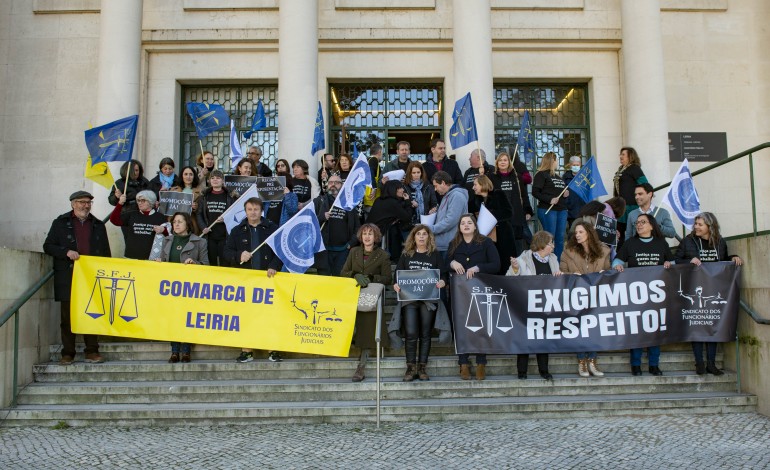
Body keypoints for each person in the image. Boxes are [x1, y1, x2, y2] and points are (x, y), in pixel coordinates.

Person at [44, 191, 111, 365]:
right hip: (68, 275)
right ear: (73, 204)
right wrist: (66, 252)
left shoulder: (97, 224)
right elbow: (48, 245)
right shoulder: (60, 223)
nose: (86, 205)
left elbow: (106, 253)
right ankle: (68, 353)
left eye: (89, 202)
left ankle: (92, 351)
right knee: (67, 317)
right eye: (82, 202)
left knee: (92, 314)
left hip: (92, 277)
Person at [676, 212, 744, 375]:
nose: (696, 227)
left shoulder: (720, 243)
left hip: (713, 289)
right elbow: (676, 260)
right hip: (693, 289)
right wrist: (689, 261)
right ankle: (699, 363)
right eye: (696, 224)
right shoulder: (688, 241)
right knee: (697, 325)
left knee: (712, 324)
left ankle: (711, 364)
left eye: (700, 224)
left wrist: (733, 257)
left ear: (710, 226)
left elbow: (722, 261)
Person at [613, 213, 674, 376]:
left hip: (656, 296)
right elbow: (617, 261)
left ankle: (654, 364)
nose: (638, 225)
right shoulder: (630, 243)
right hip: (636, 295)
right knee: (637, 330)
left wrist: (669, 263)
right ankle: (636, 364)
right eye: (637, 222)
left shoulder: (661, 243)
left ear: (652, 226)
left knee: (655, 330)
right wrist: (618, 266)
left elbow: (672, 262)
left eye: (643, 222)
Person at [224, 197, 282, 363]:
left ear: (261, 210)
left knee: (270, 316)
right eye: (249, 209)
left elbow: (281, 251)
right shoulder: (237, 230)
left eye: (256, 209)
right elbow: (226, 252)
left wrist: (274, 265)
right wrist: (238, 255)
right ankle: (247, 351)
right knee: (247, 316)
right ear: (245, 211)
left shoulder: (272, 228)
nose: (253, 212)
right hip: (246, 281)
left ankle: (274, 350)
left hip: (269, 279)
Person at [449, 214, 501, 380]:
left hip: (480, 291)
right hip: (460, 293)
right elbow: (444, 263)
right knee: (460, 326)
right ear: (459, 227)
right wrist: (452, 263)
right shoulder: (454, 243)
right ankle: (463, 363)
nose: (466, 225)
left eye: (469, 222)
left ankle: (481, 363)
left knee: (480, 326)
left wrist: (478, 267)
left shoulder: (485, 242)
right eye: (462, 223)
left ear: (475, 226)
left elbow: (496, 265)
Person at [392, 225, 446, 381]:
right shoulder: (406, 255)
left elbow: (443, 275)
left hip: (428, 300)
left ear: (429, 237)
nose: (421, 237)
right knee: (410, 333)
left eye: (424, 234)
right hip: (410, 300)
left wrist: (442, 282)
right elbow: (397, 277)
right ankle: (410, 368)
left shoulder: (434, 255)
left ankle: (422, 367)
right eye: (418, 234)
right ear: (413, 237)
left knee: (425, 334)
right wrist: (396, 285)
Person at [506, 230, 561, 380]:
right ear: (542, 244)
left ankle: (544, 370)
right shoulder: (523, 258)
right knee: (524, 338)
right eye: (551, 243)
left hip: (545, 306)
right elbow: (509, 278)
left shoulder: (553, 259)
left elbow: (557, 279)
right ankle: (522, 372)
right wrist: (515, 268)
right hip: (526, 306)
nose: (553, 246)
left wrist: (559, 276)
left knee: (544, 339)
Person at [341, 224, 392, 382]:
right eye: (364, 234)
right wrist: (355, 274)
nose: (367, 237)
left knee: (367, 329)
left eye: (370, 234)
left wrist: (371, 278)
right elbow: (343, 272)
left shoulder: (383, 255)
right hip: (352, 295)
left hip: (370, 298)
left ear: (376, 237)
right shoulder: (354, 252)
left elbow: (387, 278)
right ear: (361, 236)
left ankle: (361, 366)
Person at [560, 222, 611, 377]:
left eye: (581, 232)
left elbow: (608, 271)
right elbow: (562, 272)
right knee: (579, 327)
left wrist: (605, 273)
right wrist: (572, 276)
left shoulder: (603, 251)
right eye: (576, 232)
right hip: (576, 295)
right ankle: (582, 361)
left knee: (594, 327)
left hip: (596, 296)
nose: (577, 235)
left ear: (589, 233)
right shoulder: (568, 251)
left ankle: (592, 361)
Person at [157, 212, 209, 363]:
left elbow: (206, 264)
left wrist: (195, 263)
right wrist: (159, 262)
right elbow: (164, 261)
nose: (176, 224)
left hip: (190, 288)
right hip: (171, 286)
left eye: (180, 221)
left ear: (188, 224)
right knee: (173, 318)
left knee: (187, 317)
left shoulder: (200, 242)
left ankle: (186, 351)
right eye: (174, 222)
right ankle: (174, 351)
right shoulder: (167, 240)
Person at [313, 174, 360, 276]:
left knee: (340, 280)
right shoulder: (318, 201)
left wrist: (350, 244)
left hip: (343, 250)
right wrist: (322, 217)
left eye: (336, 182)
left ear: (342, 186)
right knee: (323, 283)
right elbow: (309, 223)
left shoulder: (349, 204)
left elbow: (357, 227)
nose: (333, 185)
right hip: (324, 252)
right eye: (330, 182)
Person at [470, 175, 518, 273]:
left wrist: (489, 216)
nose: (473, 187)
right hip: (486, 237)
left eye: (475, 184)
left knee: (505, 261)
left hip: (503, 234)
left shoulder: (498, 194)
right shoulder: (475, 200)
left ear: (483, 184)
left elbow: (508, 212)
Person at [490, 151, 531, 257]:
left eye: (505, 160)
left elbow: (524, 195)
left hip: (516, 216)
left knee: (518, 247)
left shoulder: (517, 177)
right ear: (497, 163)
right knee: (503, 247)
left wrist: (527, 210)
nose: (503, 162)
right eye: (500, 160)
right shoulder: (492, 177)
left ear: (509, 162)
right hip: (501, 218)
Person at [109, 190, 168, 260]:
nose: (140, 203)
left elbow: (169, 235)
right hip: (131, 257)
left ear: (151, 201)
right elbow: (114, 220)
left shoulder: (160, 217)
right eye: (138, 200)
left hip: (151, 259)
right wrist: (120, 203)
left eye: (143, 200)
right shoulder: (132, 215)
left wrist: (164, 230)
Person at [532, 152, 569, 259]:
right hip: (548, 210)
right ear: (552, 161)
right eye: (556, 160)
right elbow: (535, 192)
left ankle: (557, 264)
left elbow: (559, 193)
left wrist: (565, 194)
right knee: (549, 238)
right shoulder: (541, 174)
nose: (557, 163)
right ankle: (548, 263)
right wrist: (549, 199)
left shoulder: (558, 176)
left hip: (561, 210)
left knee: (560, 238)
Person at [366, 180, 414, 263]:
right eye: (400, 188)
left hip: (370, 235)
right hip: (380, 238)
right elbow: (407, 217)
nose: (403, 190)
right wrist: (407, 201)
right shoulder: (392, 203)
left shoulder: (379, 200)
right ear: (393, 189)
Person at [198, 169, 236, 267]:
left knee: (225, 261)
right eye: (212, 178)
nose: (215, 180)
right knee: (211, 261)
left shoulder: (230, 195)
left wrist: (226, 219)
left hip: (225, 235)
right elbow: (199, 214)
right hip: (209, 236)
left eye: (218, 178)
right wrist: (203, 227)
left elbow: (234, 214)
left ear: (223, 181)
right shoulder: (205, 196)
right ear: (209, 181)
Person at [429, 171, 469, 261]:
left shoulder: (456, 196)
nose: (435, 189)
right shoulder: (448, 195)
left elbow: (450, 220)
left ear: (443, 183)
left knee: (447, 274)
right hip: (445, 244)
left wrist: (431, 229)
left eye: (436, 186)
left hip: (450, 245)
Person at [613, 147, 648, 248]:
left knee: (632, 232)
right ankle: (620, 255)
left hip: (631, 206)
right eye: (620, 154)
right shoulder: (621, 170)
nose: (620, 156)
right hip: (621, 207)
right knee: (619, 233)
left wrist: (646, 196)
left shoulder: (634, 168)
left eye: (623, 154)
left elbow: (645, 184)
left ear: (630, 156)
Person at [404, 161, 438, 228]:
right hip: (409, 224)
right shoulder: (404, 187)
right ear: (409, 174)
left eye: (418, 172)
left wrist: (433, 209)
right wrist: (410, 202)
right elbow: (400, 204)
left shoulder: (429, 186)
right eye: (413, 173)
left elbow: (434, 203)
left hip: (426, 222)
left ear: (421, 173)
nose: (416, 175)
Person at [177, 165, 203, 234]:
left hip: (192, 224)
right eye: (185, 174)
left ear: (194, 176)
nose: (188, 177)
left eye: (191, 174)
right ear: (182, 176)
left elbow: (202, 210)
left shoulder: (200, 192)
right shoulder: (174, 191)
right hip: (177, 224)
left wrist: (196, 207)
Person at [562, 156, 585, 228]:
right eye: (574, 165)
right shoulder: (565, 177)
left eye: (577, 165)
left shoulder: (584, 176)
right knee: (572, 232)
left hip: (583, 209)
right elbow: (561, 191)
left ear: (580, 165)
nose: (576, 167)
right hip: (571, 210)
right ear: (570, 165)